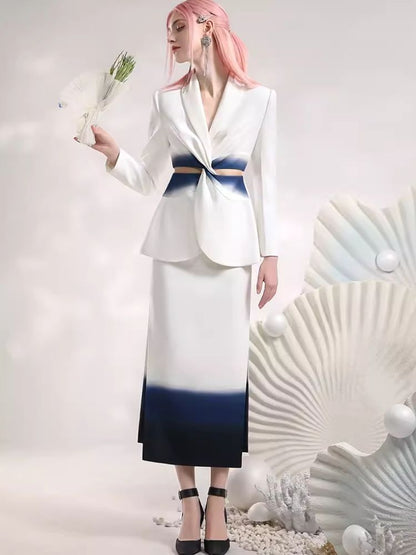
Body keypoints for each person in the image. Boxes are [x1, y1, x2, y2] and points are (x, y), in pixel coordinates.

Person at [75, 1, 280, 553]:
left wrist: (271, 254)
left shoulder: (260, 99)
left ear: (207, 28)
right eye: (168, 29)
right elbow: (147, 177)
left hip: (231, 251)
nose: (170, 37)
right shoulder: (166, 100)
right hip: (174, 249)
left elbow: (266, 181)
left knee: (223, 374)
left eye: (179, 27)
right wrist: (112, 153)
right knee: (174, 367)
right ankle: (189, 499)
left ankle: (219, 499)